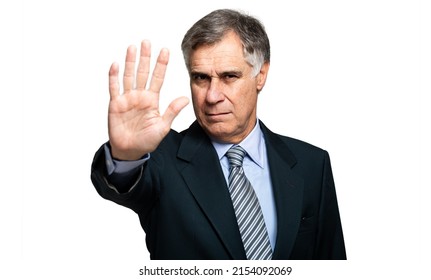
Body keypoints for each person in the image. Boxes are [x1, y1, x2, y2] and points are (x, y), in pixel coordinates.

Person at [91, 8, 346, 260]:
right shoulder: (160, 158)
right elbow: (123, 183)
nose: (212, 96)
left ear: (261, 75)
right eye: (200, 78)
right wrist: (125, 155)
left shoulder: (312, 164)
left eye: (229, 76)